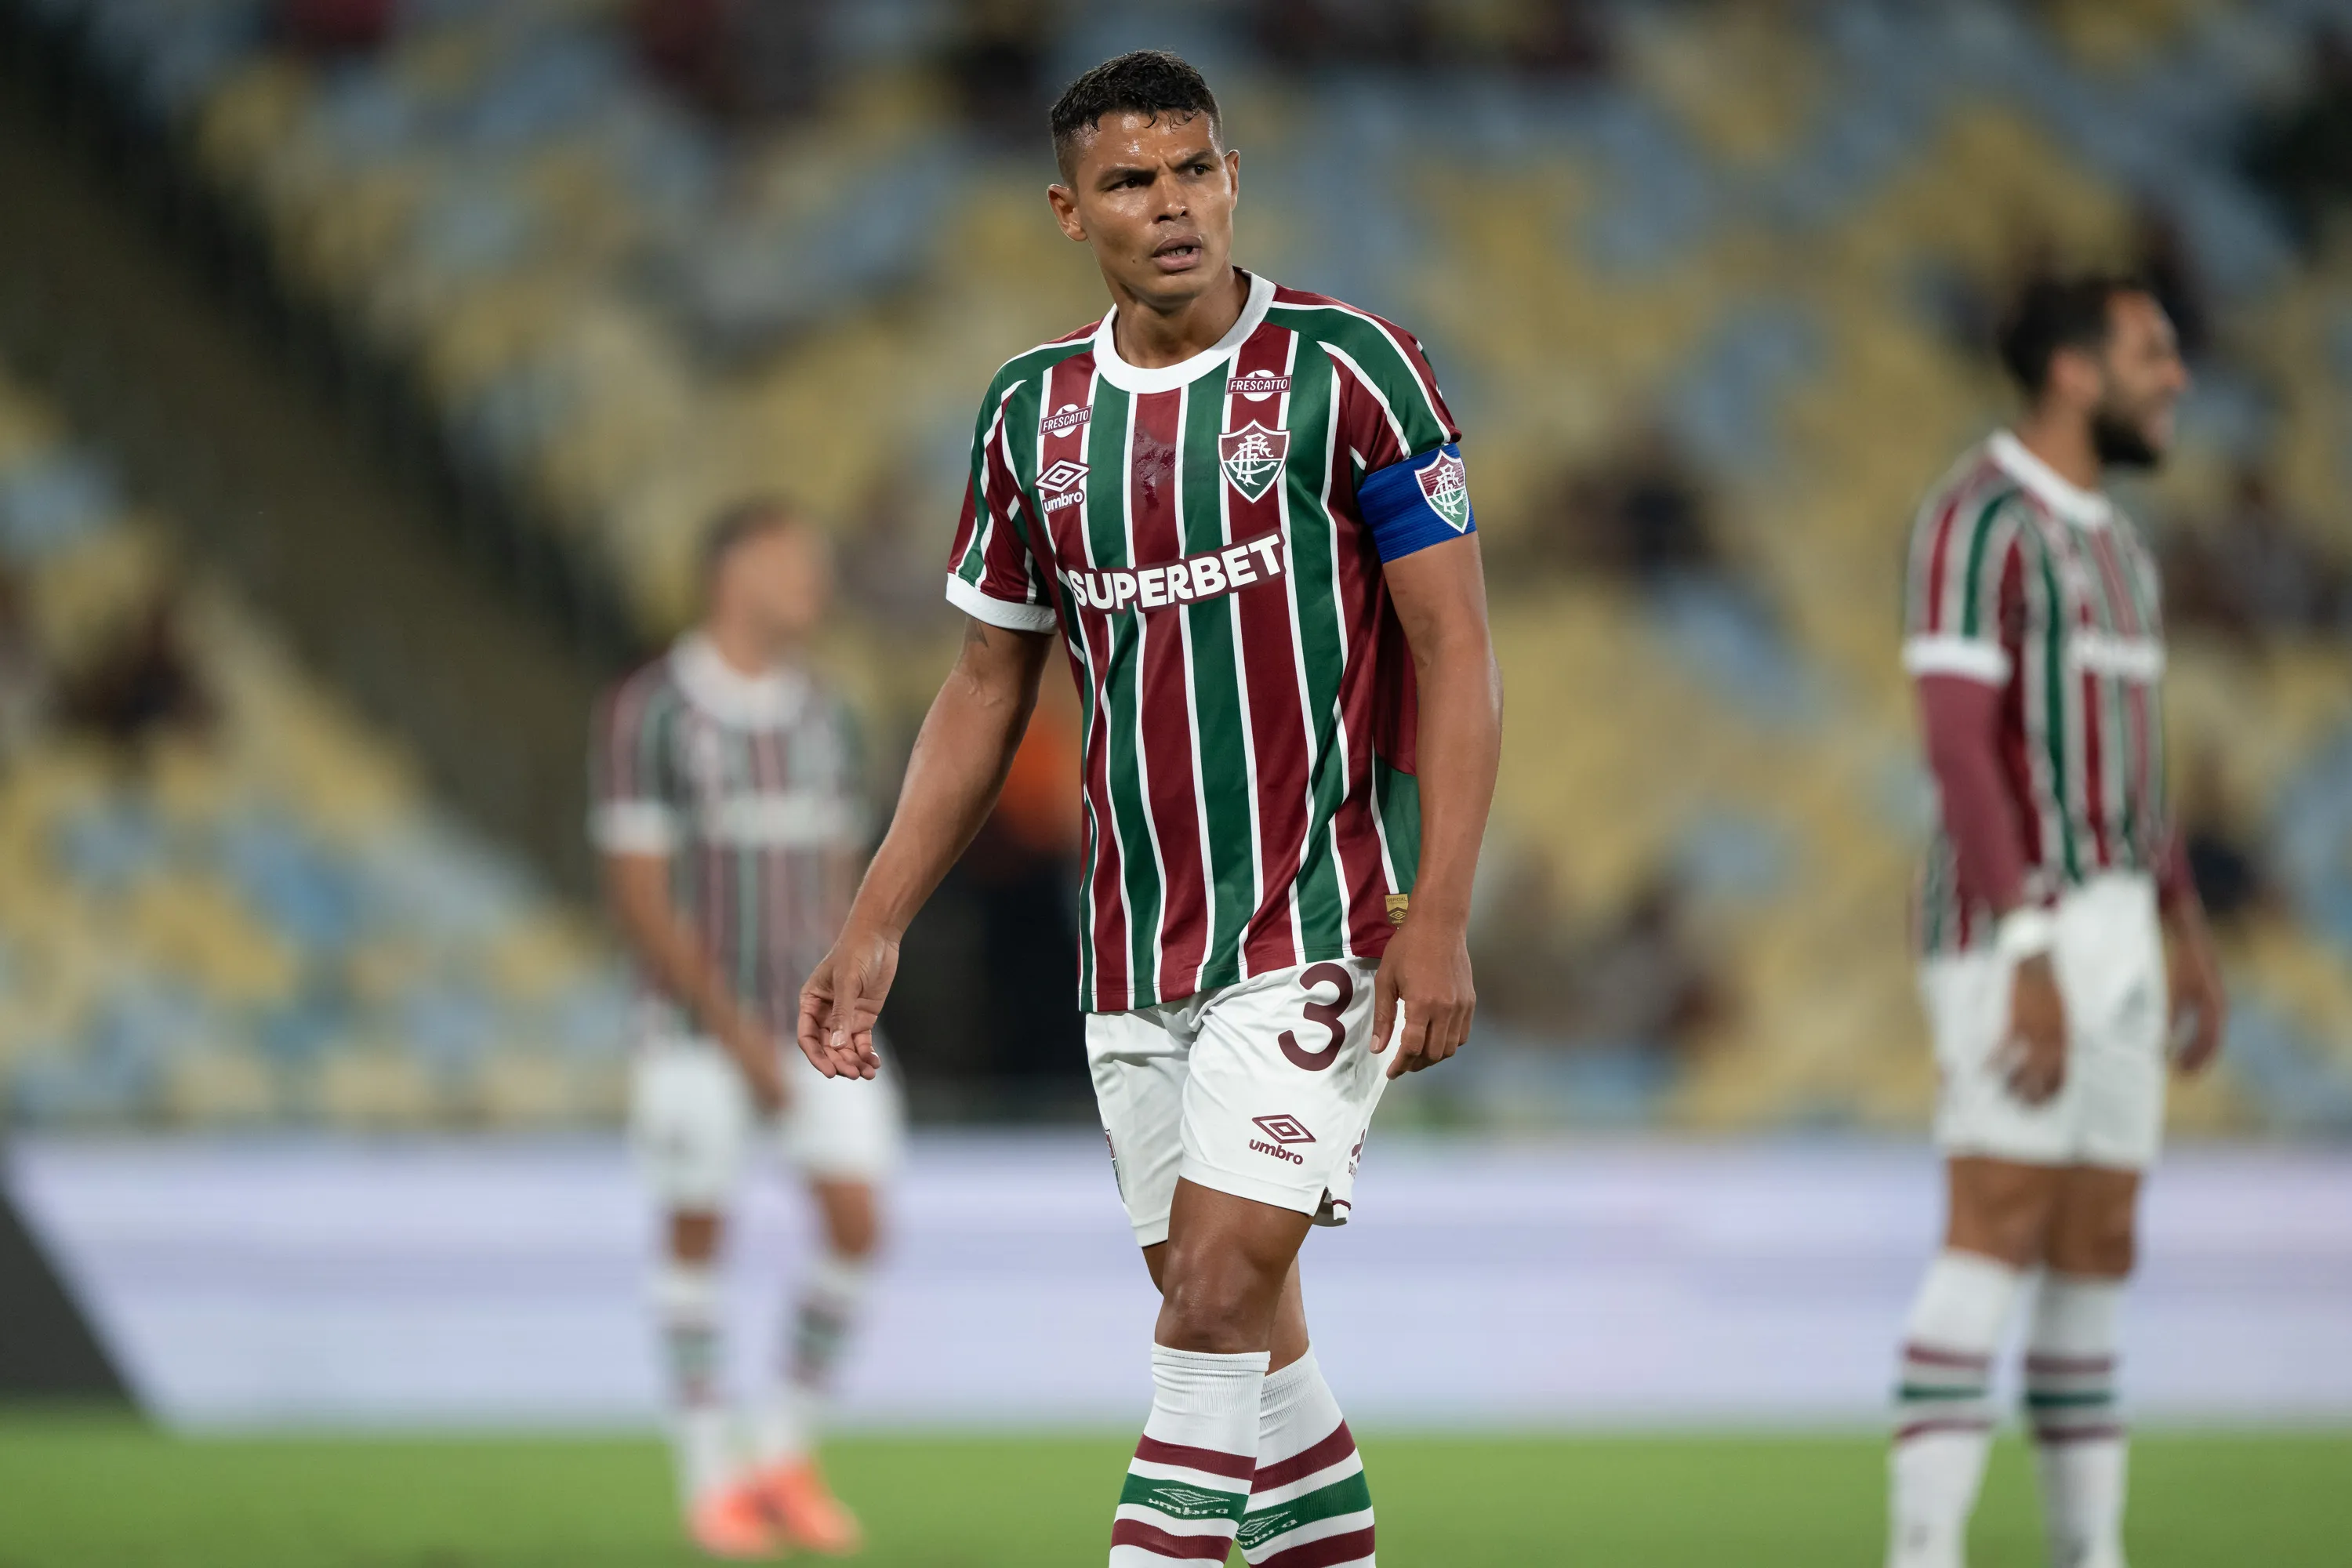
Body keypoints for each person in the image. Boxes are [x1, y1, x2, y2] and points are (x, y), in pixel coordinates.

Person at [798, 50, 1501, 1568]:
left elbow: (1456, 649)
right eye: (1131, 181)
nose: (1171, 205)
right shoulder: (1030, 415)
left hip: (1318, 918)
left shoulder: (1352, 371)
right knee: (1251, 1339)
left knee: (1211, 1304)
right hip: (1130, 948)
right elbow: (984, 687)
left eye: (1194, 171)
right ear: (1072, 211)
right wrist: (876, 920)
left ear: (1233, 178)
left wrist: (1437, 910)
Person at [1889, 276, 2227, 1568]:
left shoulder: (2122, 545)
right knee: (1998, 1215)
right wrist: (2027, 947)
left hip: (2125, 923)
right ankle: (1924, 1552)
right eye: (2154, 353)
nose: (2176, 377)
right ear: (2076, 372)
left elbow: (2136, 762)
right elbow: (1961, 751)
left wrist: (2183, 926)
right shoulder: (1977, 520)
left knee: (2098, 1241)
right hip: (2011, 924)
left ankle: (2092, 1552)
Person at [590, 499, 900, 1559]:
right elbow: (639, 896)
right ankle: (709, 1477)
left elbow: (839, 877)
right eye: (792, 563)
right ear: (733, 572)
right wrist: (736, 1038)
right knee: (696, 1231)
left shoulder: (829, 714)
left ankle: (780, 1454)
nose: (814, 582)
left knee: (858, 1222)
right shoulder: (653, 712)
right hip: (691, 1032)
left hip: (813, 1024)